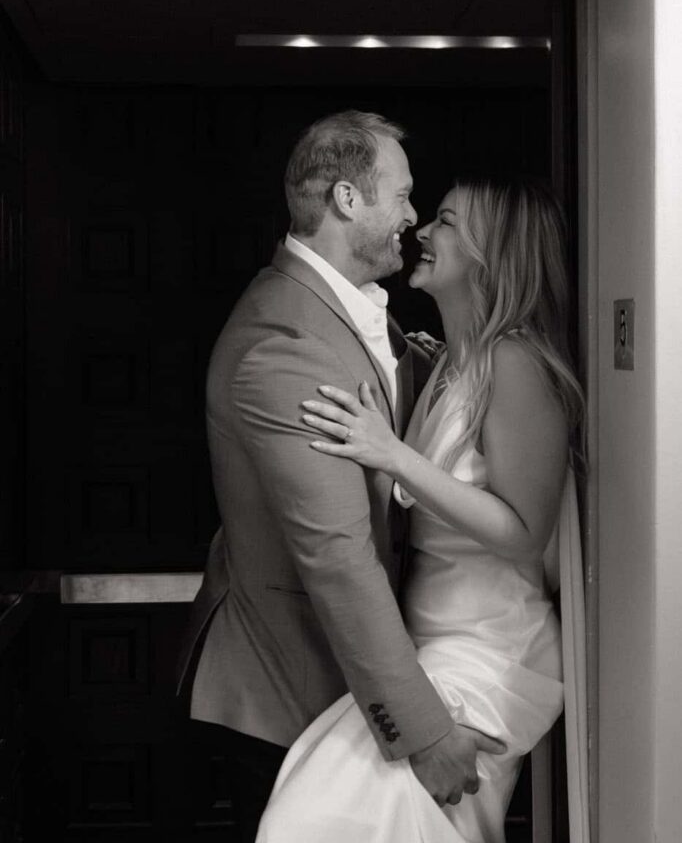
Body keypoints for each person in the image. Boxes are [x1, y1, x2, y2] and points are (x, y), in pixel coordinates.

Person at [177, 112, 503, 842]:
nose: (413, 217)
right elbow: (337, 556)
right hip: (282, 691)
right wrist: (424, 731)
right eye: (402, 195)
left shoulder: (349, 313)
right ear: (348, 200)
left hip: (345, 682)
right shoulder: (281, 342)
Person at [256, 175, 586, 843]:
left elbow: (525, 536)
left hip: (489, 655)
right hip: (431, 648)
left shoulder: (515, 362)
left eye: (446, 222)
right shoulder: (445, 363)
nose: (422, 232)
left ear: (494, 255)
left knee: (315, 815)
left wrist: (393, 455)